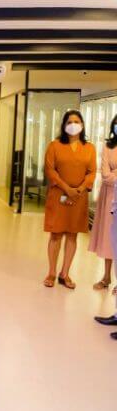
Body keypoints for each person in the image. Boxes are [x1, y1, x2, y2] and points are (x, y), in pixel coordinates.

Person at [42, 109, 96, 289]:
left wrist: (79, 189)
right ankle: (51, 271)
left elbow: (92, 172)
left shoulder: (89, 148)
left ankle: (64, 274)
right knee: (56, 233)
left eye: (76, 121)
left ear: (82, 125)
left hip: (79, 197)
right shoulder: (54, 145)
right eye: (69, 122)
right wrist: (67, 189)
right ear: (64, 126)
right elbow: (50, 170)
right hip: (59, 195)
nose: (73, 125)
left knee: (72, 235)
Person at [89, 115, 117, 290]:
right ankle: (106, 278)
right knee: (110, 237)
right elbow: (105, 175)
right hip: (110, 197)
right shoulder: (108, 146)